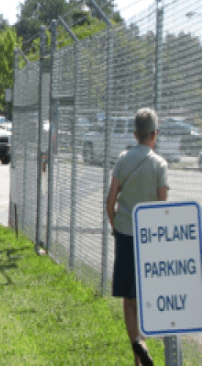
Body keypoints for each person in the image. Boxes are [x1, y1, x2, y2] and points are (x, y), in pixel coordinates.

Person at [105, 107, 169, 366]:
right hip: (149, 239)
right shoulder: (160, 164)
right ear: (155, 134)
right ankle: (148, 339)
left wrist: (115, 224)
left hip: (125, 235)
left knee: (129, 301)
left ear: (134, 134)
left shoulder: (123, 159)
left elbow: (110, 201)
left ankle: (137, 355)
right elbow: (163, 207)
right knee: (148, 296)